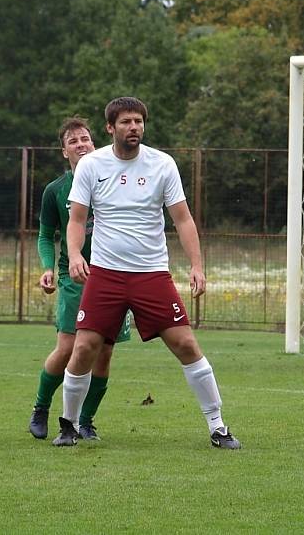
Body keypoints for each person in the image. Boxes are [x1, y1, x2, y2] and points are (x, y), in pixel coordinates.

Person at [52, 96, 240, 450]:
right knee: (84, 348)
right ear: (111, 128)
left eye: (138, 121)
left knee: (185, 343)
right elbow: (77, 219)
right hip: (105, 275)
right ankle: (69, 425)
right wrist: (75, 254)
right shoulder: (92, 165)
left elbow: (182, 219)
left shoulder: (162, 164)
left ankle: (218, 426)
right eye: (125, 122)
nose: (133, 127)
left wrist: (197, 265)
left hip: (151, 274)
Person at [28, 117, 132, 441]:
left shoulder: (115, 179)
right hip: (76, 275)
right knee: (70, 346)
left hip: (115, 274)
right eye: (73, 141)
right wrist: (48, 268)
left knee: (104, 352)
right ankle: (42, 408)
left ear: (95, 143)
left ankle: (85, 422)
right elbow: (46, 236)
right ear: (64, 151)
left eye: (85, 139)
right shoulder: (56, 191)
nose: (81, 145)